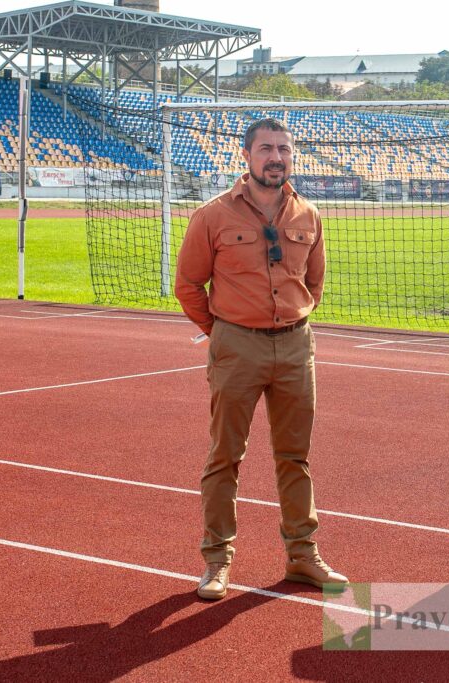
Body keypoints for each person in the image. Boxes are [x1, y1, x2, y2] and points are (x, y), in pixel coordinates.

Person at [175, 117, 347, 600]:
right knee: (225, 456)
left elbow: (313, 284)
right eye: (267, 148)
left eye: (284, 149)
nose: (277, 157)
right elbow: (188, 285)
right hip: (237, 345)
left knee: (295, 456)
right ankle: (216, 560)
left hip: (295, 345)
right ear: (246, 156)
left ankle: (302, 555)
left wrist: (293, 321)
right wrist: (223, 332)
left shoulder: (308, 215)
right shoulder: (212, 215)